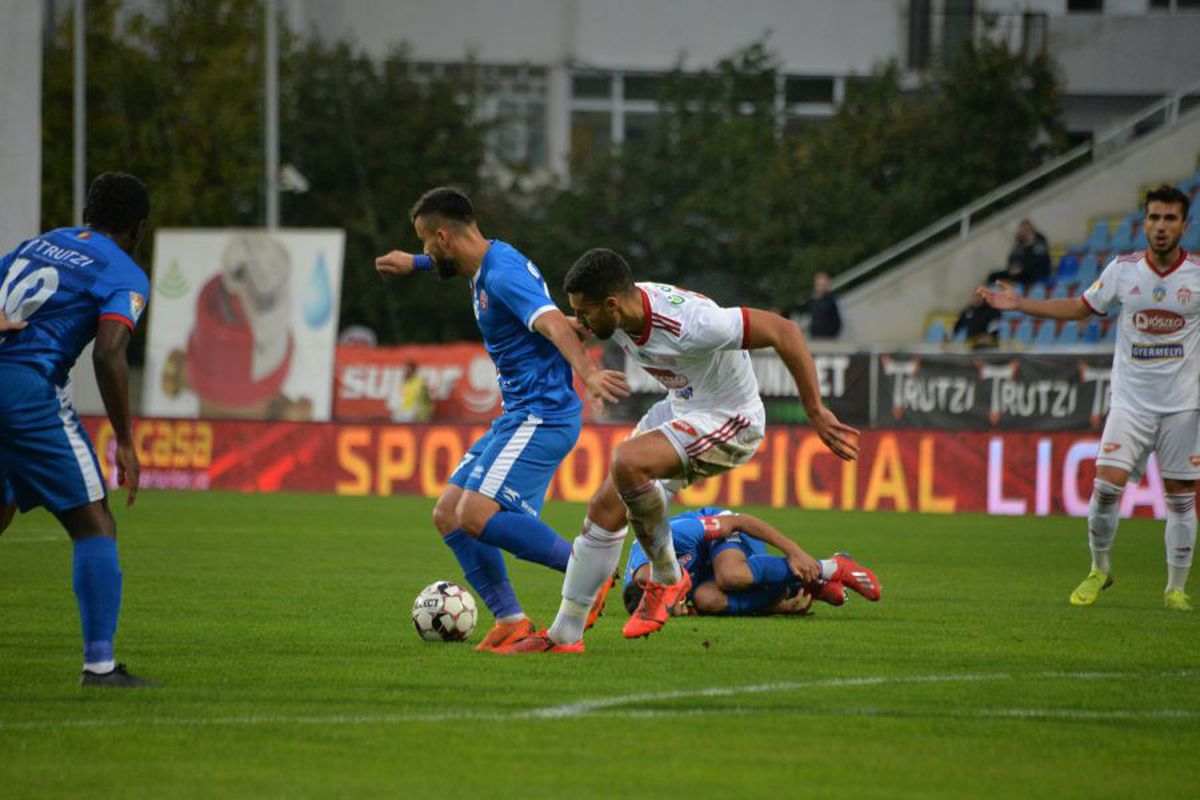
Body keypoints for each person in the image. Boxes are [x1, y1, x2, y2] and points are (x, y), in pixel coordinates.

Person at [498, 247, 860, 653]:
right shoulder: (619, 313)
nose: (579, 321)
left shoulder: (692, 324)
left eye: (585, 313)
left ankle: (668, 577)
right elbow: (571, 329)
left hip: (730, 418)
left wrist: (814, 409)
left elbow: (784, 331)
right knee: (604, 507)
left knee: (627, 462)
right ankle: (564, 636)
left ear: (613, 305)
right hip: (683, 406)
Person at [375, 188, 629, 650]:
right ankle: (511, 618)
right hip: (518, 415)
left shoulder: (503, 274)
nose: (426, 250)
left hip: (543, 414)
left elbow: (553, 322)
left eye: (425, 243)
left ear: (444, 235)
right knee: (449, 515)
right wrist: (413, 263)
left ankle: (587, 571)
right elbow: (447, 262)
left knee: (475, 515)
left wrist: (589, 373)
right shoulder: (484, 262)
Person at [977, 185, 1196, 611]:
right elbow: (1080, 308)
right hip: (1131, 404)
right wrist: (1020, 303)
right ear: (1144, 223)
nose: (1161, 226)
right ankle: (1100, 569)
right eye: (1154, 217)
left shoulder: (1198, 275)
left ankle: (1176, 589)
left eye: (1170, 218)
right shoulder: (1124, 269)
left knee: (1181, 498)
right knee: (1105, 490)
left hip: (1183, 407)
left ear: (1184, 225)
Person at [0, 172, 154, 686]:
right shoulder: (123, 271)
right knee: (94, 523)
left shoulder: (39, 243)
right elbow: (109, 353)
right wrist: (127, 440)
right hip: (25, 390)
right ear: (138, 227)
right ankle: (101, 666)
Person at [622, 506, 881, 617]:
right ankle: (805, 587)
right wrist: (771, 607)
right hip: (705, 570)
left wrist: (794, 550)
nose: (676, 601)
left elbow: (740, 521)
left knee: (730, 575)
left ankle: (833, 566)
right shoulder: (643, 594)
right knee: (706, 599)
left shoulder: (672, 536)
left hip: (722, 538)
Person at [807, 270, 842, 339]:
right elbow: (798, 309)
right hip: (815, 339)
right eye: (819, 285)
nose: (821, 287)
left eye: (823, 284)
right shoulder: (811, 301)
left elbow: (840, 322)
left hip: (830, 340)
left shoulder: (833, 301)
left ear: (828, 284)